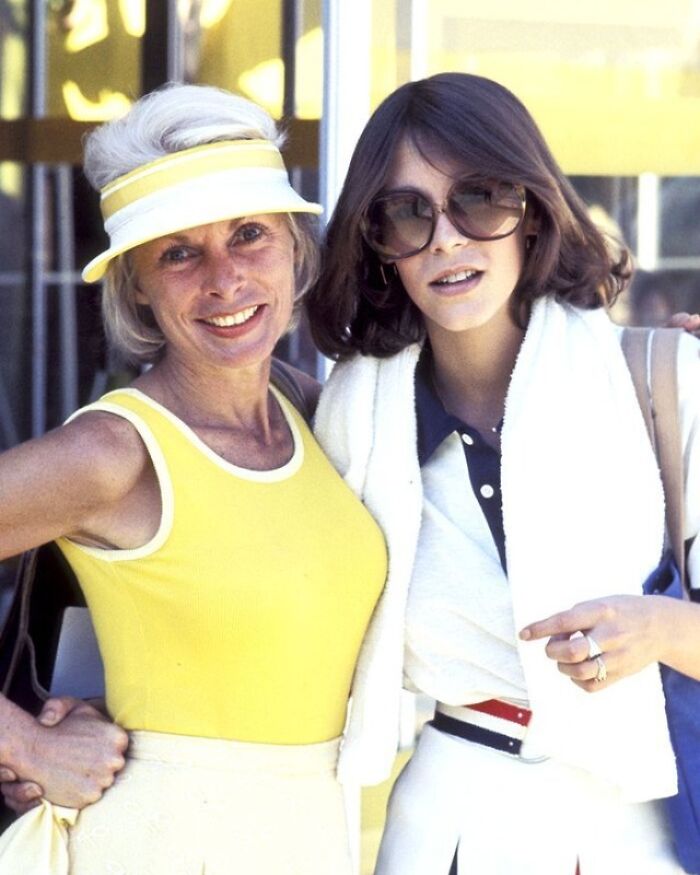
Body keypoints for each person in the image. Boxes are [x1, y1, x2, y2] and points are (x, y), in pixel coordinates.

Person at [305, 72, 700, 874]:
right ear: (378, 245)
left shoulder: (661, 378)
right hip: (445, 828)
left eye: (480, 198)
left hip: (635, 825)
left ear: (534, 211)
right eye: (406, 213)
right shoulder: (352, 420)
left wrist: (653, 628)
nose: (446, 239)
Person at [0, 82, 386, 873]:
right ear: (136, 281)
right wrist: (28, 743)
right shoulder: (115, 453)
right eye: (178, 252)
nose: (224, 278)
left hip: (315, 835)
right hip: (162, 841)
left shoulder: (312, 410)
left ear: (292, 244)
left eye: (248, 234)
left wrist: (669, 369)